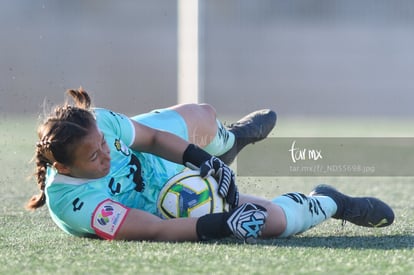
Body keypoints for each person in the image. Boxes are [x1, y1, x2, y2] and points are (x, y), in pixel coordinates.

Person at [26, 88, 394, 242]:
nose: (106, 153)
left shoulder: (97, 122)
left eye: (104, 144)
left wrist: (204, 161)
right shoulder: (76, 205)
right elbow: (154, 230)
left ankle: (228, 144)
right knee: (274, 222)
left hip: (155, 158)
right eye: (94, 157)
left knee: (202, 116)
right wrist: (223, 224)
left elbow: (152, 139)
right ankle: (331, 202)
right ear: (67, 168)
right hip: (163, 204)